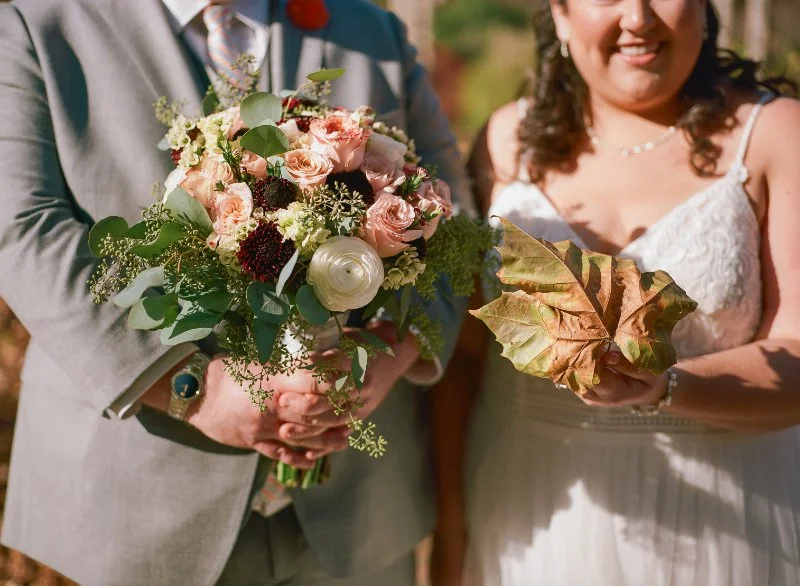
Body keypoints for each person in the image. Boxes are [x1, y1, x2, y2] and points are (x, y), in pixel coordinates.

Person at [0, 0, 473, 584]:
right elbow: (20, 230)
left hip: (357, 513)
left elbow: (459, 222)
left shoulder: (370, 29)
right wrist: (195, 391)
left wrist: (388, 354)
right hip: (136, 505)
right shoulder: (32, 21)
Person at [431, 0, 800, 585]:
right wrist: (451, 531)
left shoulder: (777, 135)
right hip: (528, 511)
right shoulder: (505, 140)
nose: (638, 17)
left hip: (725, 523)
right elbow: (466, 361)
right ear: (559, 14)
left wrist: (665, 385)